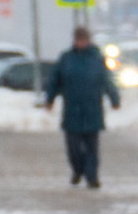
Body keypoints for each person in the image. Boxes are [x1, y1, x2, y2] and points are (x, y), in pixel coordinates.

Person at [43, 27, 120, 187]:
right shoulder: (66, 58)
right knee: (74, 149)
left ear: (88, 40)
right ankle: (78, 170)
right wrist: (49, 98)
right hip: (72, 110)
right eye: (79, 39)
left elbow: (107, 80)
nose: (81, 42)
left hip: (92, 110)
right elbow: (55, 80)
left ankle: (92, 177)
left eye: (84, 39)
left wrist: (114, 98)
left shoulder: (97, 58)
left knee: (92, 148)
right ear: (74, 40)